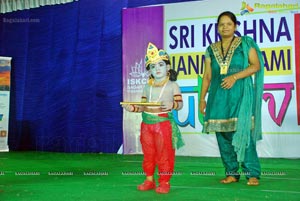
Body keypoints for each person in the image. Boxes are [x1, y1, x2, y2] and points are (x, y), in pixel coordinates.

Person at [199, 11, 264, 186]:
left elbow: (255, 66)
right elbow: (207, 76)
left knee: (244, 133)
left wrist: (234, 77)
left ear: (235, 26)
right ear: (217, 27)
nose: (224, 27)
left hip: (240, 96)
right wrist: (202, 99)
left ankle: (252, 174)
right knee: (223, 135)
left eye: (228, 24)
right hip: (218, 97)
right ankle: (232, 173)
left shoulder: (245, 43)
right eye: (221, 24)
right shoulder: (210, 50)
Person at [122, 42, 184, 193]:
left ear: (168, 67)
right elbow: (143, 106)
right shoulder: (147, 87)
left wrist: (172, 104)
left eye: (161, 65)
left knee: (164, 154)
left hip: (163, 125)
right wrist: (132, 108)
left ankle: (164, 182)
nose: (157, 69)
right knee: (148, 154)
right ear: (149, 70)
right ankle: (149, 180)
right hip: (146, 125)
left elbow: (180, 104)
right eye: (153, 66)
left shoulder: (172, 86)